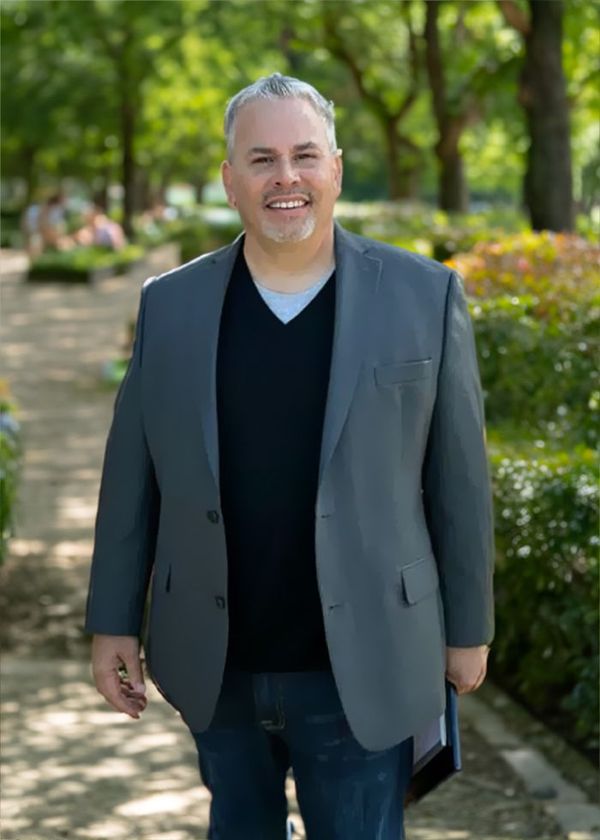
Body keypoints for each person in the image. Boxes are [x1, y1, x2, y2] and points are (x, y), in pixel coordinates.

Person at [86, 73, 494, 839]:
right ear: (230, 179)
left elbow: (459, 482)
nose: (286, 178)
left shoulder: (424, 296)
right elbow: (131, 477)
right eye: (262, 158)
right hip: (215, 660)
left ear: (336, 168)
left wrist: (468, 627)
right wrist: (112, 622)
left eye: (305, 155)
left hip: (366, 662)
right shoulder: (168, 304)